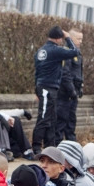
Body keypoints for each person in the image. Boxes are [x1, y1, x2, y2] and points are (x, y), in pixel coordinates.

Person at [32, 26, 80, 154]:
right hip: (49, 88)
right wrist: (68, 38)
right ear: (59, 38)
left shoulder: (40, 51)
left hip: (43, 87)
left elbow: (37, 72)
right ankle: (36, 148)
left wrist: (36, 90)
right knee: (44, 118)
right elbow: (75, 51)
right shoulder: (56, 50)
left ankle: (50, 147)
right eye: (62, 38)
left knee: (52, 119)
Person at [0, 88, 33, 160]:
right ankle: (5, 151)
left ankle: (26, 150)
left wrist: (22, 112)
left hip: (0, 137)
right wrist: (7, 118)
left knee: (15, 120)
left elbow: (3, 112)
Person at [55, 29, 84, 143]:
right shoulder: (67, 52)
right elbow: (65, 74)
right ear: (71, 38)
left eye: (81, 39)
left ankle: (71, 143)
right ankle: (58, 145)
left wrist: (79, 88)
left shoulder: (77, 52)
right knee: (61, 121)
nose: (81, 41)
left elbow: (79, 73)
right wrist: (71, 90)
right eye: (78, 39)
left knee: (71, 120)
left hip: (74, 92)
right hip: (65, 93)